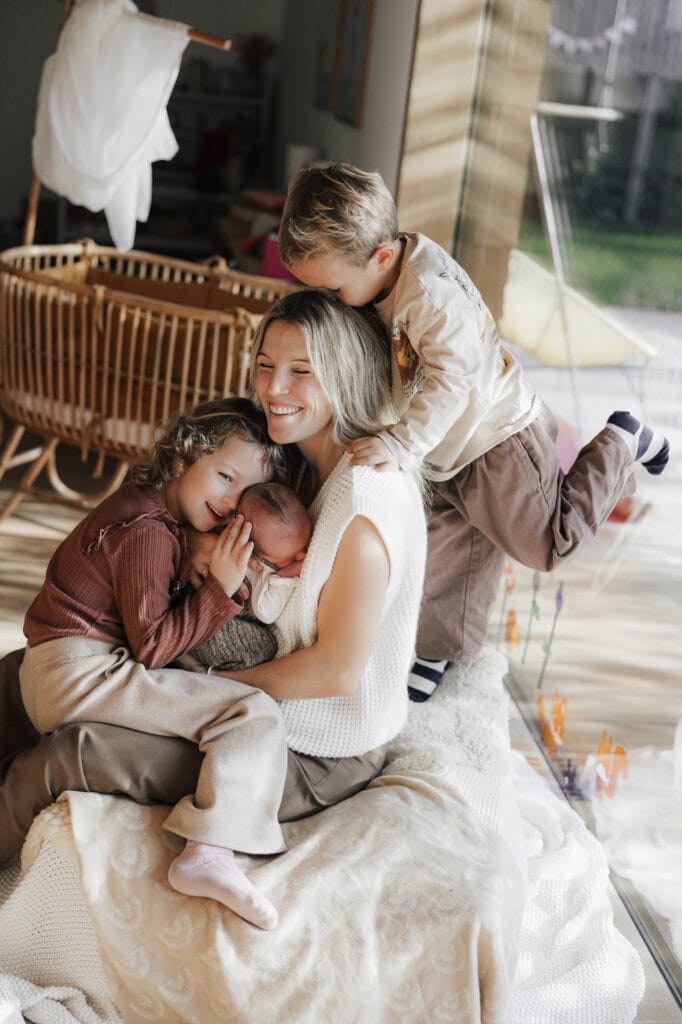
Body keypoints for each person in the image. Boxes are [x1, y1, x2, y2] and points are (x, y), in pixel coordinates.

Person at [0, 291, 427, 905]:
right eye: (265, 364)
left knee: (75, 751)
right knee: (21, 676)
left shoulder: (364, 500)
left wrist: (220, 688)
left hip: (316, 743)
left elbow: (335, 671)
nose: (274, 386)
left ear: (344, 377)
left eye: (301, 371)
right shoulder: (293, 468)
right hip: (253, 687)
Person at [277, 162, 670, 699]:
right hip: (446, 452)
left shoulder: (433, 298)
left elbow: (455, 379)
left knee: (548, 545)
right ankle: (440, 649)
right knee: (447, 555)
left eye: (335, 289)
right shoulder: (384, 270)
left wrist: (400, 442)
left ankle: (622, 440)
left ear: (381, 257)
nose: (333, 300)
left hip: (498, 440)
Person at [19, 396, 293, 931]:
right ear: (183, 455)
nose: (230, 501)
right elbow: (153, 647)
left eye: (245, 495)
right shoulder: (146, 529)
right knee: (250, 710)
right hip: (78, 675)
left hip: (57, 668)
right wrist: (222, 587)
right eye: (223, 476)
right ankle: (209, 853)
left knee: (206, 697)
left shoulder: (146, 508)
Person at [179, 481, 312, 672]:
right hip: (209, 622)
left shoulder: (262, 541)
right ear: (254, 550)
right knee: (264, 647)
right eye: (289, 558)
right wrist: (286, 576)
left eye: (305, 544)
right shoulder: (255, 565)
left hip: (194, 609)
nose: (302, 557)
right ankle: (192, 662)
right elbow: (266, 612)